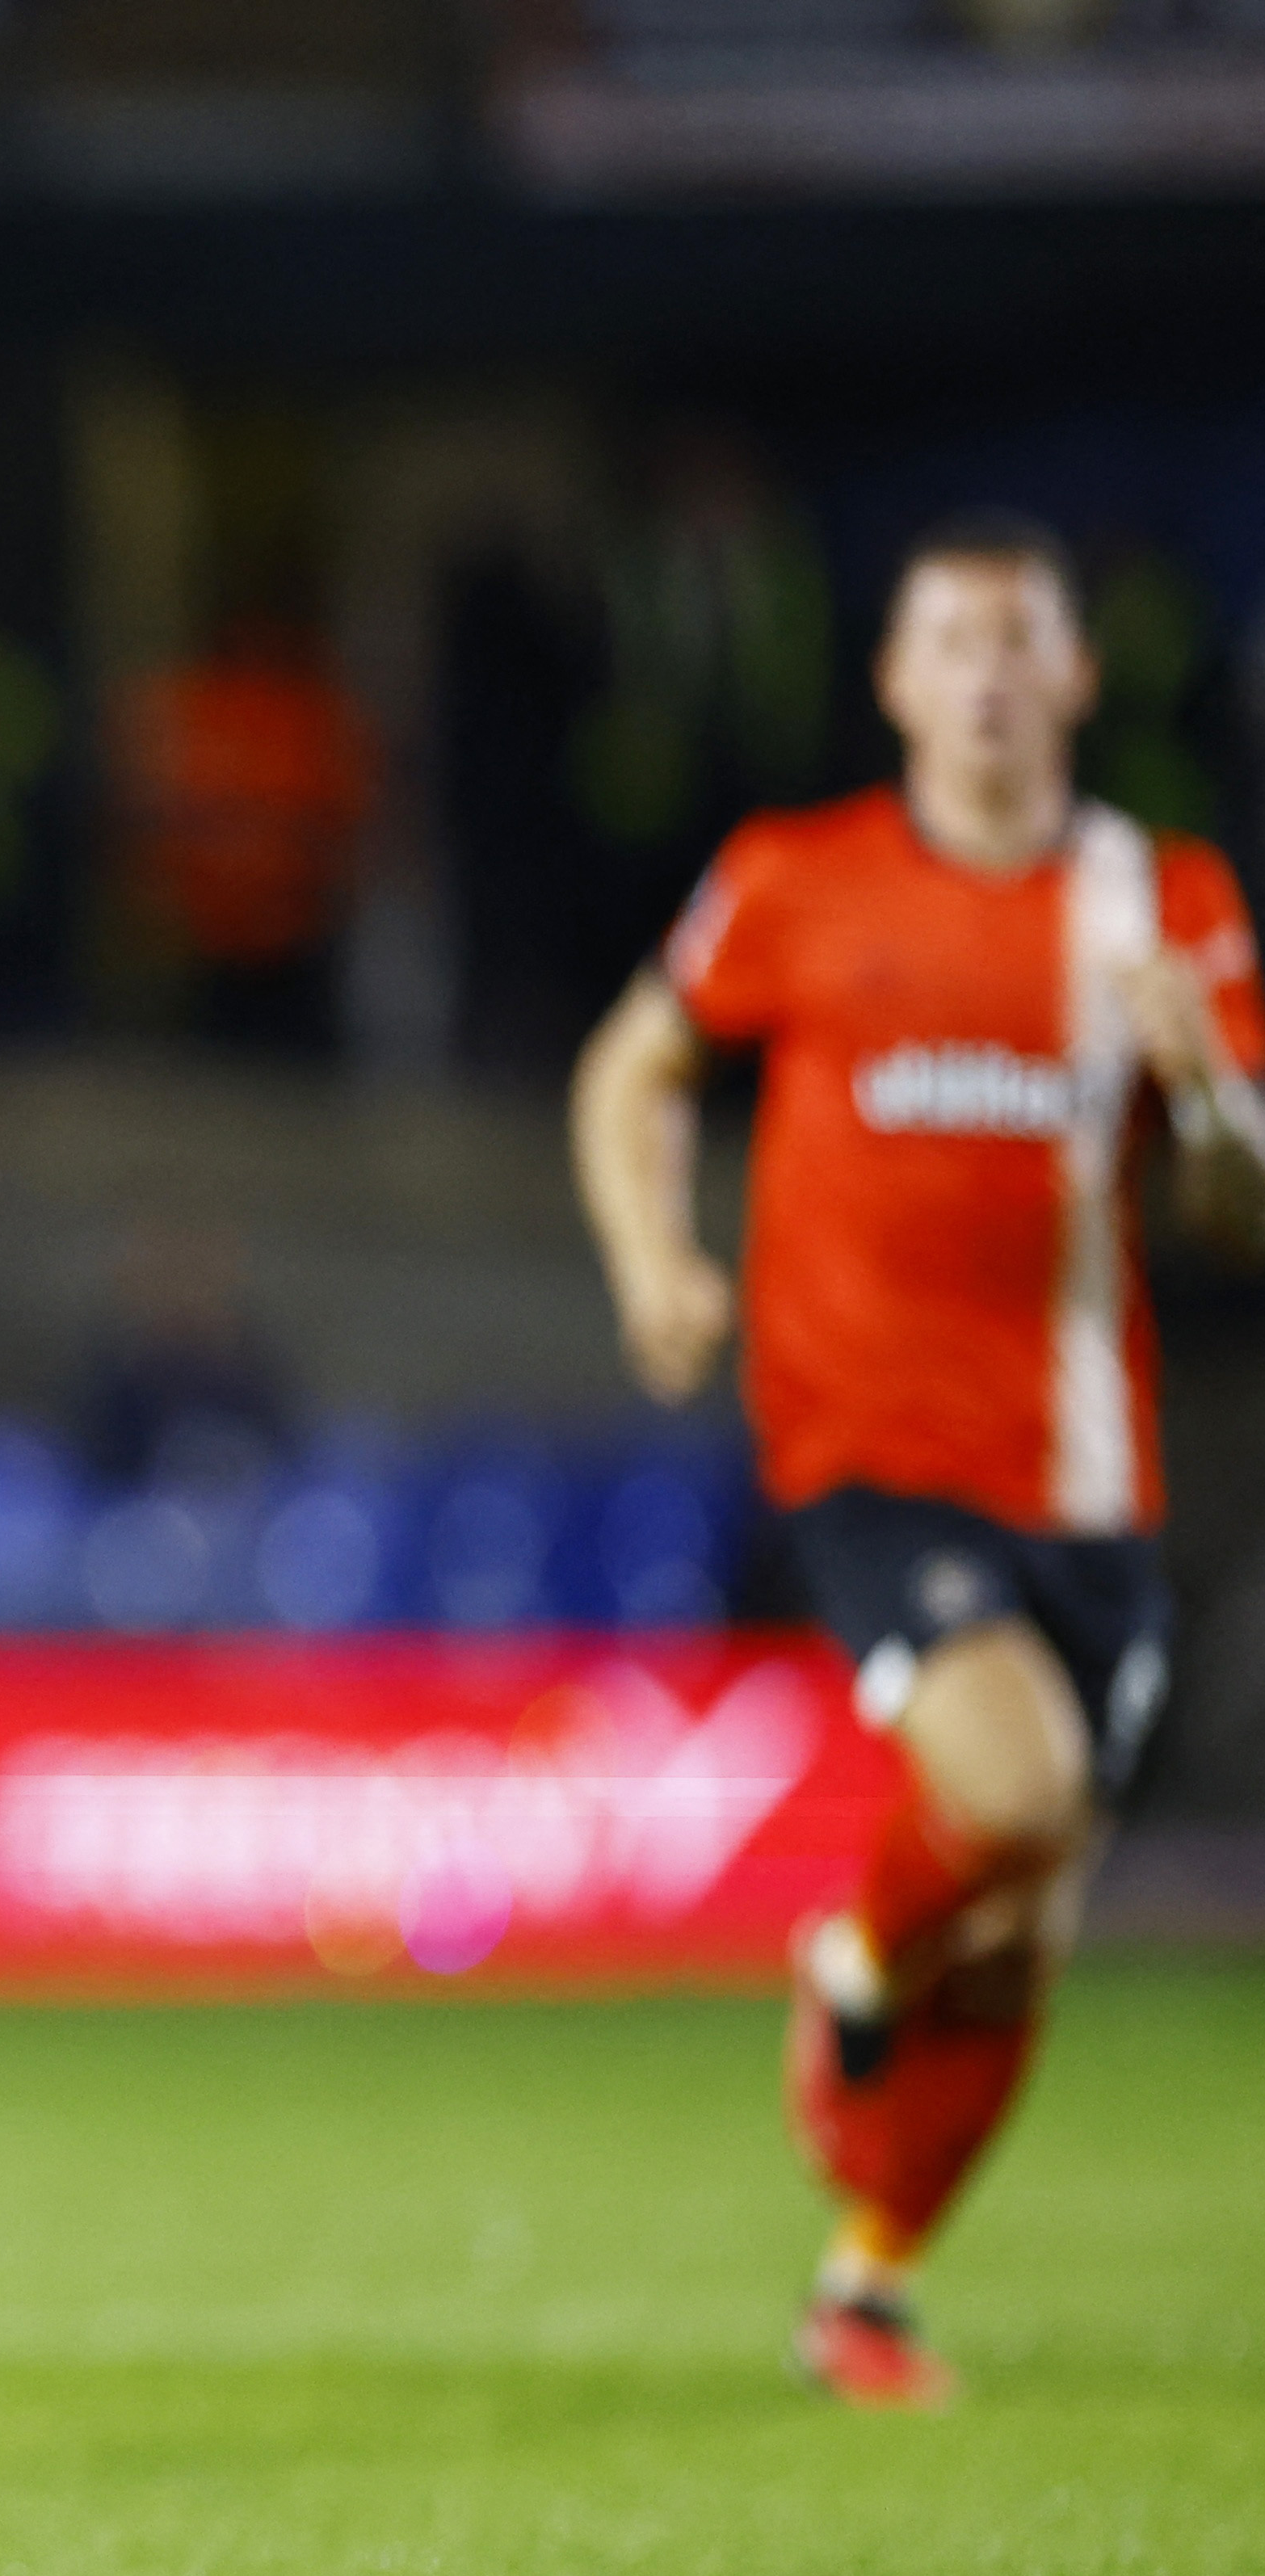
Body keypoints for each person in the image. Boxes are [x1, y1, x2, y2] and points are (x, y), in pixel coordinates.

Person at [571, 509, 1265, 2409]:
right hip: (867, 1447)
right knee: (1014, 1782)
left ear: (1073, 675)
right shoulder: (794, 882)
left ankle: (862, 2282)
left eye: (1016, 637)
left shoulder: (1167, 900)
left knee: (1028, 1926)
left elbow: (1240, 1213)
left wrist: (1203, 1085)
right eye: (946, 636)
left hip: (1090, 1482)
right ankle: (854, 1966)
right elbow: (628, 1065)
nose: (982, 671)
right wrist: (654, 1258)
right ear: (890, 679)